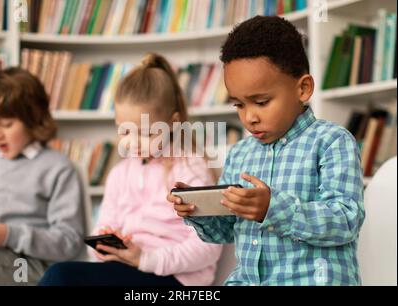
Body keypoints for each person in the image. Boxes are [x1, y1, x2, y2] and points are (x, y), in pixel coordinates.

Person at [168, 16, 365, 286]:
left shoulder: (332, 142)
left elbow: (346, 221)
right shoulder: (240, 154)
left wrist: (272, 208)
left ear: (303, 88)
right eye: (238, 105)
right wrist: (199, 212)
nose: (249, 117)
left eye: (261, 102)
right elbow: (227, 231)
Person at [39, 53, 223, 286]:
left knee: (60, 277)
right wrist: (105, 245)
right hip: (127, 269)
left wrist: (146, 259)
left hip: (175, 279)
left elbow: (208, 247)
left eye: (146, 133)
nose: (133, 143)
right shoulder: (120, 173)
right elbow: (103, 225)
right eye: (125, 131)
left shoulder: (190, 169)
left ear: (173, 123)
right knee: (62, 275)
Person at [0, 68, 84, 285]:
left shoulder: (58, 168)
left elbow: (69, 241)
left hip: (26, 267)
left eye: (6, 124)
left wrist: (9, 235)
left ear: (33, 118)